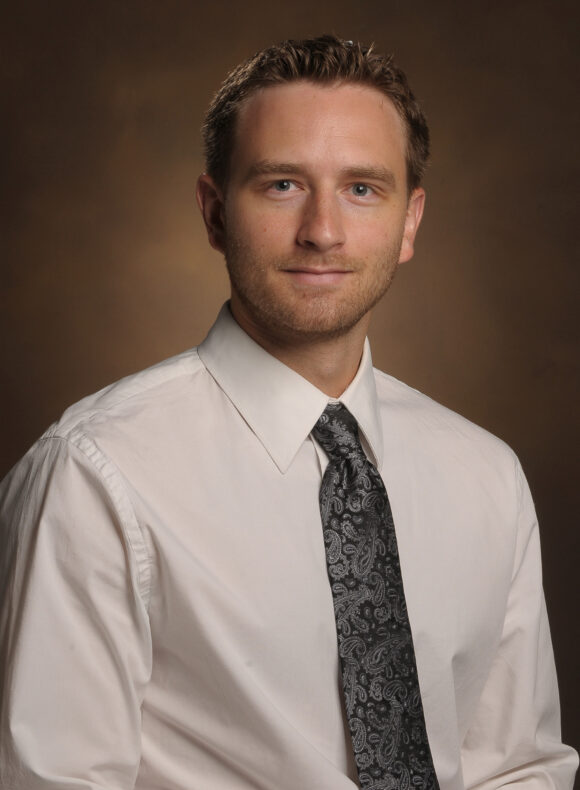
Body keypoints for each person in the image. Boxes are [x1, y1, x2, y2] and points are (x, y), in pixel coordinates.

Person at [0, 34, 577, 790]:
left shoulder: (488, 477)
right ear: (214, 213)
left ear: (410, 221)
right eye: (281, 185)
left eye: (362, 188)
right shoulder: (93, 475)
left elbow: (518, 768)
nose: (323, 231)